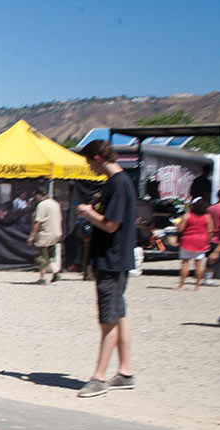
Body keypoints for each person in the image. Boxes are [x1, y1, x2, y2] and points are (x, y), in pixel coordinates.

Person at [76, 140, 136, 398]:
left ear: (98, 158)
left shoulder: (118, 184)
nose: (89, 167)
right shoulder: (120, 182)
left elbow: (111, 225)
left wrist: (87, 212)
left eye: (89, 162)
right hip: (116, 259)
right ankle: (125, 372)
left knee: (108, 319)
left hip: (111, 259)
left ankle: (99, 378)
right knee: (119, 315)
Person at [175, 197, 213, 290]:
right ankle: (198, 285)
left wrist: (177, 225)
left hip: (187, 241)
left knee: (185, 263)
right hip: (201, 241)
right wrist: (208, 242)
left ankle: (182, 284)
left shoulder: (187, 216)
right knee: (199, 264)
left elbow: (181, 229)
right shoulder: (207, 217)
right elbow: (210, 231)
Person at [27, 190, 63, 284]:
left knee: (41, 256)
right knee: (51, 256)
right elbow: (61, 219)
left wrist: (31, 236)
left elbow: (38, 222)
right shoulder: (55, 203)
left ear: (39, 195)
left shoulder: (42, 205)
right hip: (55, 233)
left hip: (45, 234)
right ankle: (56, 273)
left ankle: (42, 278)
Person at [205, 189, 220, 285]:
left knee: (208, 258)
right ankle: (208, 279)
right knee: (214, 258)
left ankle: (206, 277)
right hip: (218, 238)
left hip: (208, 237)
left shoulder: (210, 208)